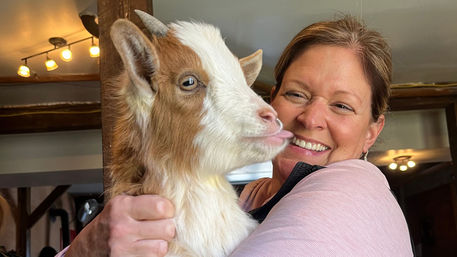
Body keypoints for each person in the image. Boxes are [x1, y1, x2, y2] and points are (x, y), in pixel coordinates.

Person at [59, 15, 413, 257]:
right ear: (272, 98)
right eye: (296, 94)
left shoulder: (354, 190)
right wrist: (85, 247)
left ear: (372, 131)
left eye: (342, 106)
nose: (311, 118)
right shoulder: (245, 199)